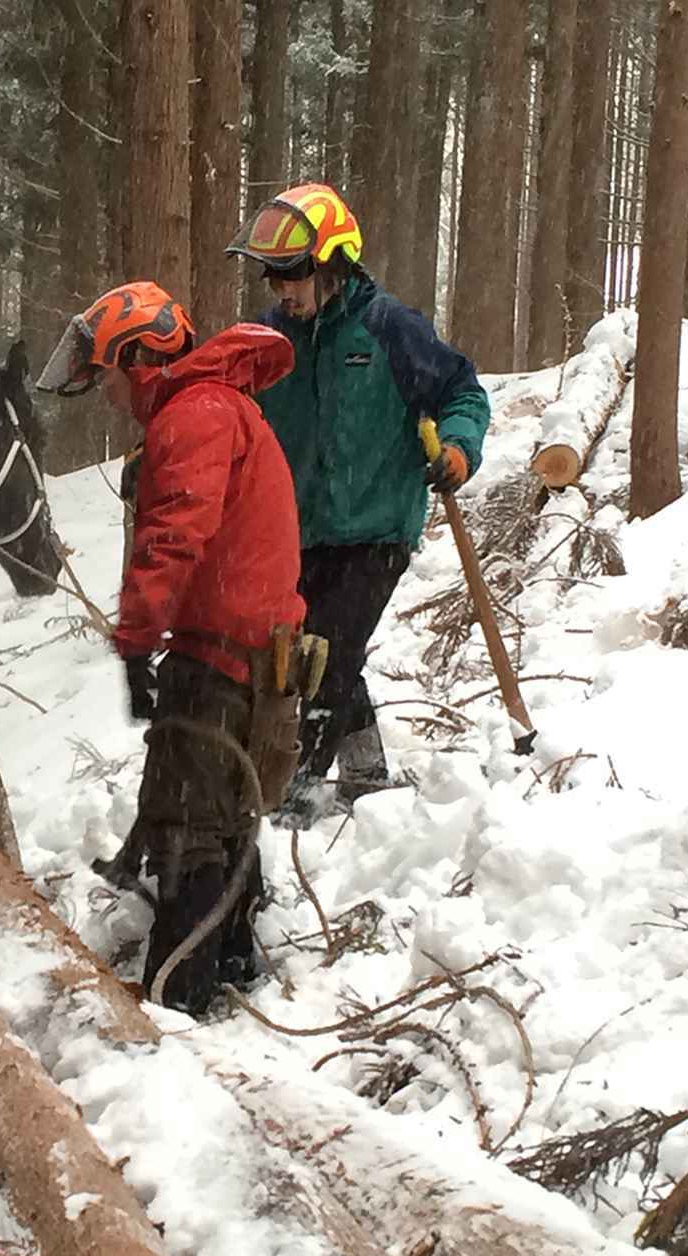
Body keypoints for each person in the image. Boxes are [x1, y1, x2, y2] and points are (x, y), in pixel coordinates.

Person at [36, 280, 306, 1016]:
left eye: (110, 377)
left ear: (138, 357)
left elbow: (173, 538)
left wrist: (134, 638)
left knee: (196, 832)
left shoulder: (195, 416)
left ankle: (173, 1000)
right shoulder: (216, 406)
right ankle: (232, 956)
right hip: (243, 646)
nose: (110, 396)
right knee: (220, 813)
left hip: (227, 654)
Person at [226, 182, 491, 826]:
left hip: (377, 525)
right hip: (300, 530)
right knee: (321, 648)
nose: (282, 290)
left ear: (336, 263)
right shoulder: (268, 339)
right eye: (274, 277)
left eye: (295, 275)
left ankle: (300, 787)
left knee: (327, 652)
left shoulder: (389, 329)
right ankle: (368, 773)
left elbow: (464, 393)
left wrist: (457, 448)